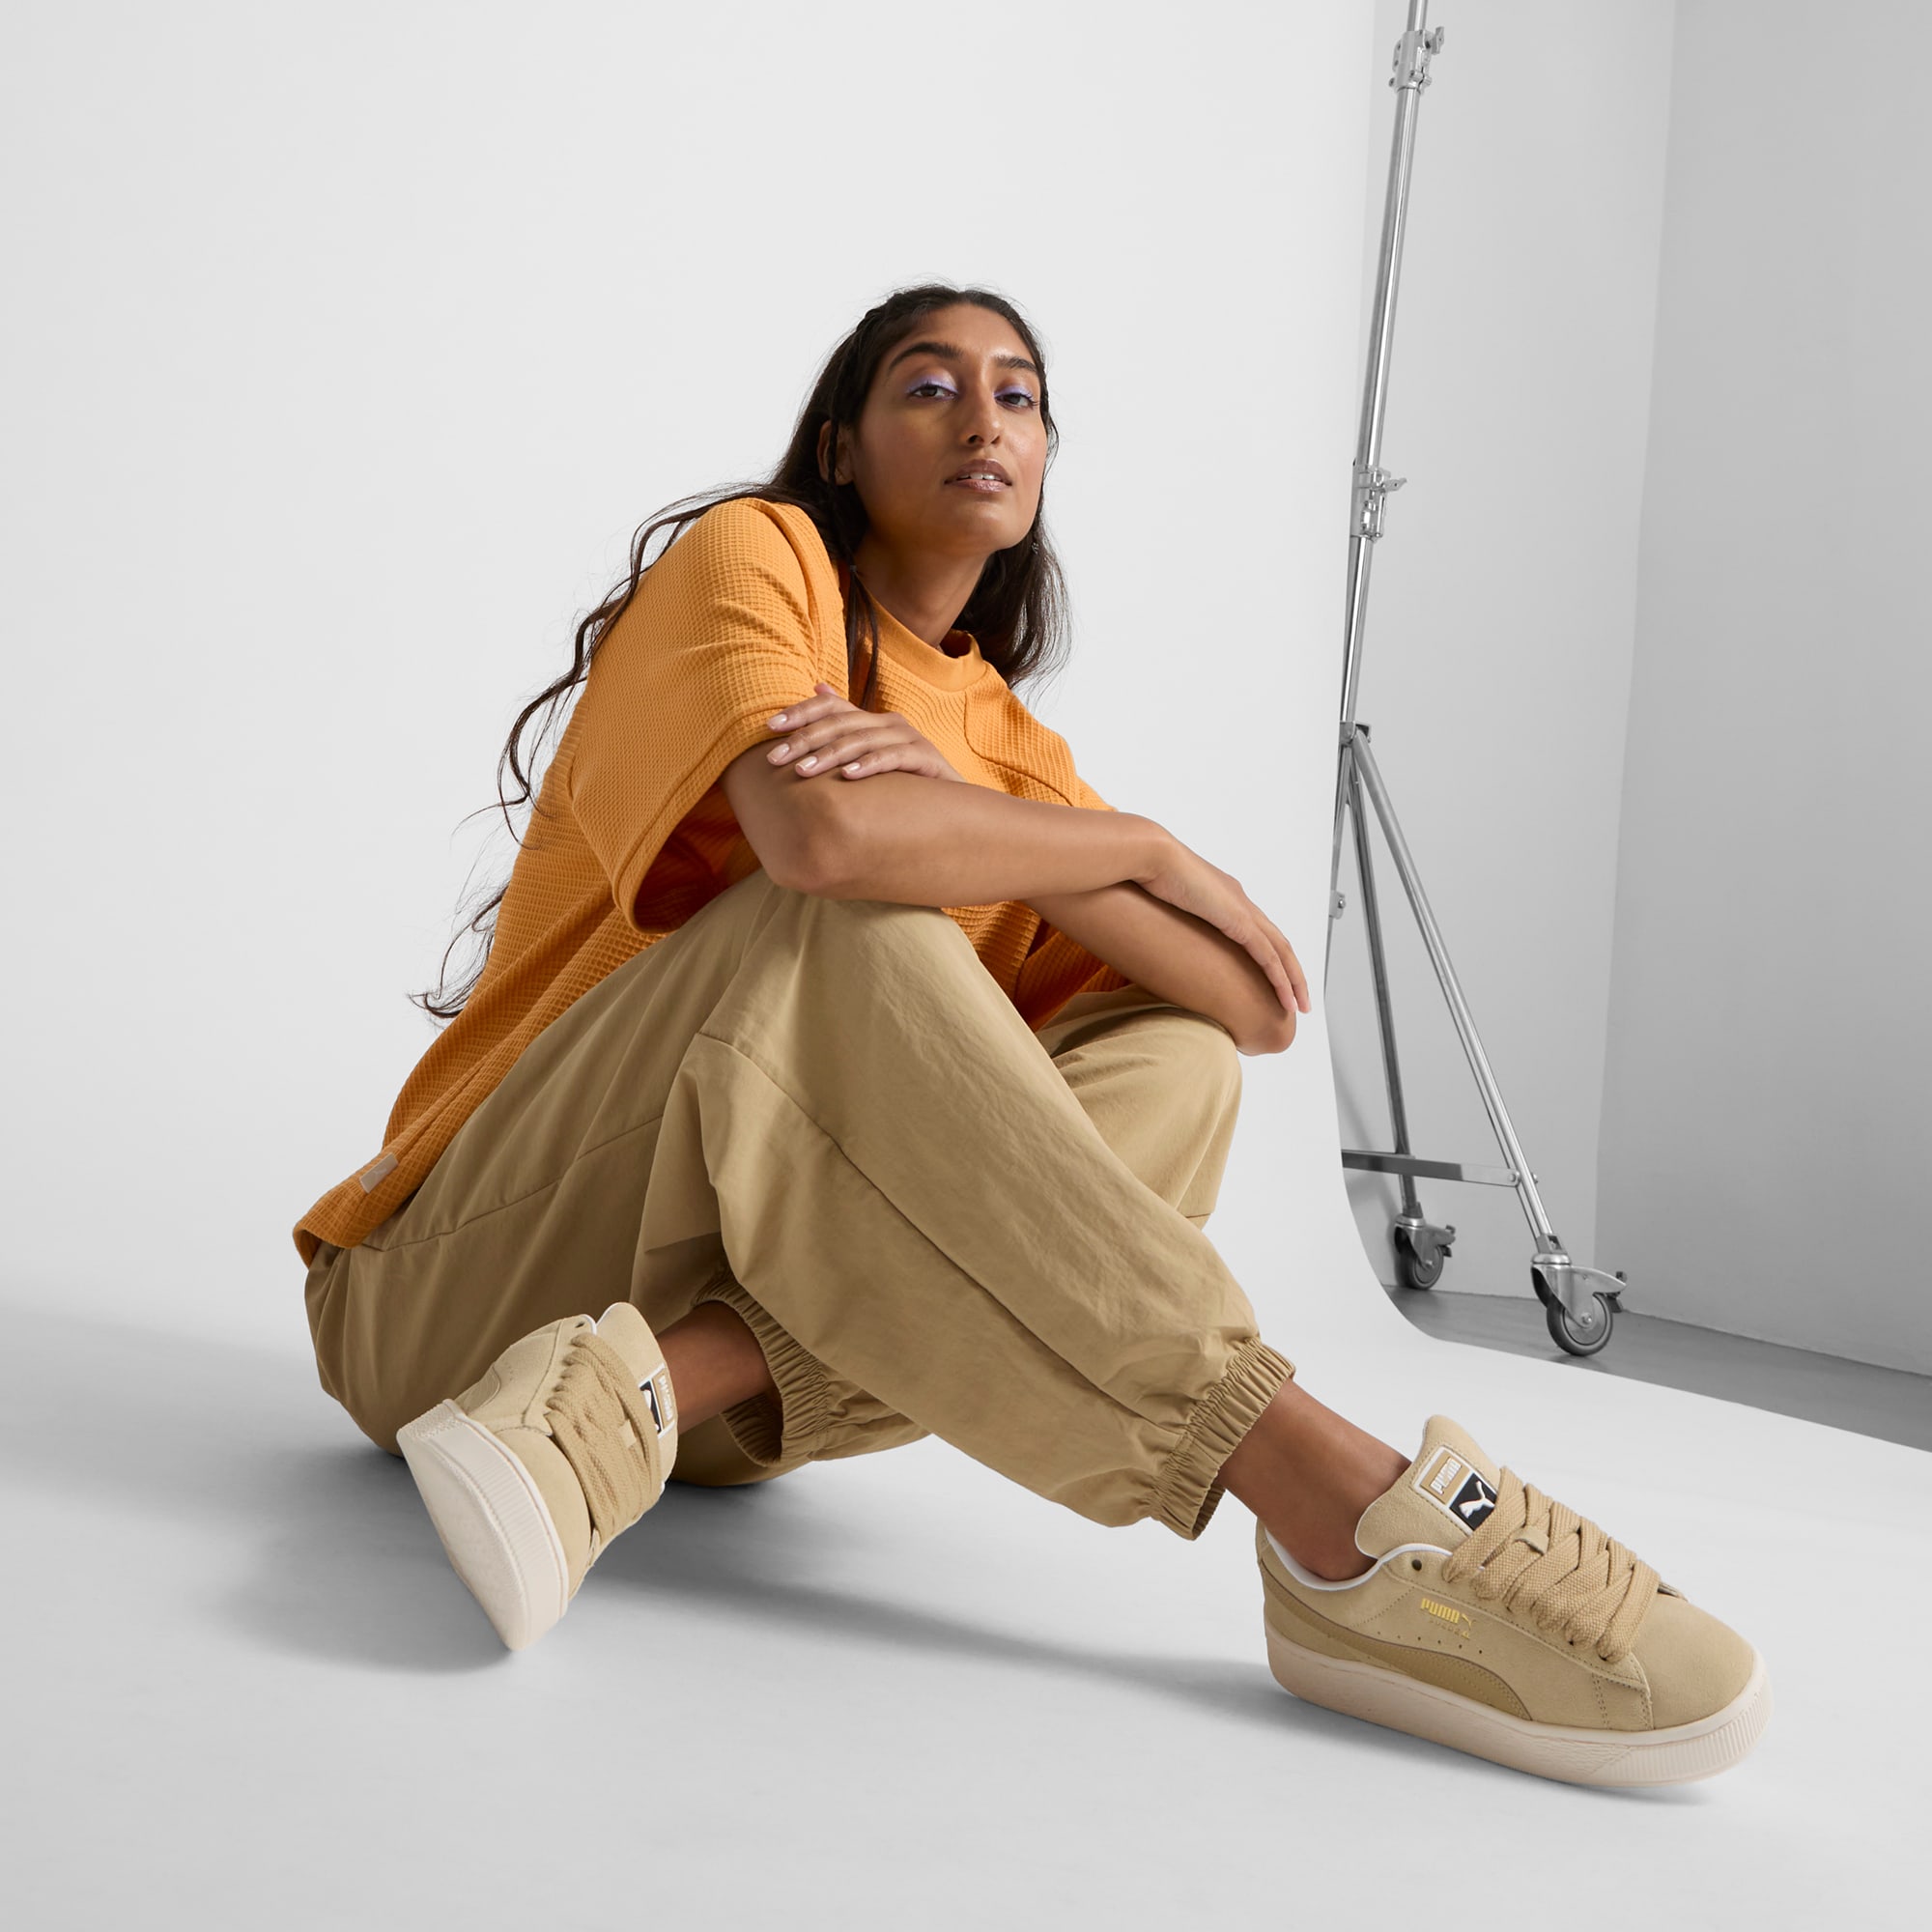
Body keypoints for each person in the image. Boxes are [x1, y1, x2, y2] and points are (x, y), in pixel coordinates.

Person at [295, 281, 1770, 1788]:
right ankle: (1339, 1508)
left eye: (1017, 395)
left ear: (1047, 456)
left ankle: (643, 1387)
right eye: (930, 387)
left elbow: (1251, 1008)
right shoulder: (757, 557)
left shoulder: (1006, 745)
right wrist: (1117, 846)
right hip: (446, 1292)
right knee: (845, 924)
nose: (982, 419)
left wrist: (1036, 819)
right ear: (843, 445)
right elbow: (818, 840)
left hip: (717, 1438)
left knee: (1176, 1061)